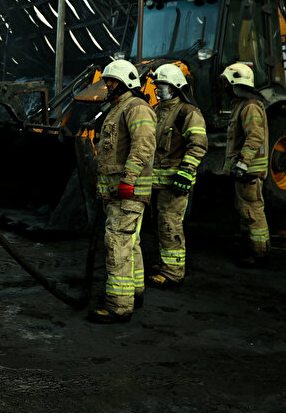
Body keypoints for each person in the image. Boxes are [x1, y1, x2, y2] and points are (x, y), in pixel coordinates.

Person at [88, 59, 156, 324]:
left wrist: (128, 178)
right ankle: (135, 292)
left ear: (126, 82)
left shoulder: (136, 107)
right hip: (116, 194)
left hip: (127, 193)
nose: (108, 86)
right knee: (130, 243)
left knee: (117, 245)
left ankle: (118, 306)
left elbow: (143, 145)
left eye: (112, 81)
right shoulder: (118, 108)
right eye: (107, 81)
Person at [146, 63, 208, 288]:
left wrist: (186, 173)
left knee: (170, 224)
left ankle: (173, 272)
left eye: (161, 85)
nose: (157, 89)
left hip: (175, 183)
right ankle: (166, 263)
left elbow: (198, 146)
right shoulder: (157, 110)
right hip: (158, 183)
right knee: (160, 223)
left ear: (174, 87)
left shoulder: (188, 112)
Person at [221, 62, 270, 268]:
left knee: (252, 211)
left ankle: (259, 254)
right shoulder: (241, 105)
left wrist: (243, 162)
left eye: (227, 83)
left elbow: (255, 136)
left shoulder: (249, 106)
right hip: (244, 170)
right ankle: (249, 248)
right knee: (245, 209)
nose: (224, 87)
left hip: (249, 171)